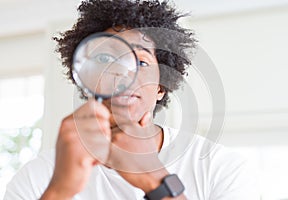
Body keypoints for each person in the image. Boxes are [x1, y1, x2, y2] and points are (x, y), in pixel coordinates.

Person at [4, 0, 259, 199]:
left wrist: (155, 179)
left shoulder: (221, 167)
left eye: (140, 62)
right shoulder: (38, 176)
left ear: (161, 87)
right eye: (104, 58)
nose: (120, 71)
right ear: (86, 78)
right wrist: (59, 191)